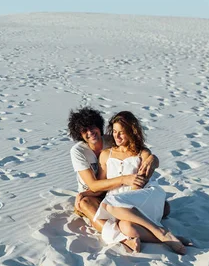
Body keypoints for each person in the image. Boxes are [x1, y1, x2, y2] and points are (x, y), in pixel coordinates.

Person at [68, 107, 171, 252]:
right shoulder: (78, 151)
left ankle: (136, 228)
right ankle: (123, 239)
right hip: (92, 192)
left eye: (92, 127)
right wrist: (124, 179)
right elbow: (93, 185)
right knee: (88, 205)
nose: (90, 133)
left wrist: (153, 159)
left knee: (164, 207)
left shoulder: (112, 140)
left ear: (99, 126)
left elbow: (139, 151)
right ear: (79, 134)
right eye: (84, 131)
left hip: (119, 191)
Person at [92, 111, 190, 254]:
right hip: (117, 202)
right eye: (114, 131)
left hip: (139, 196)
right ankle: (165, 237)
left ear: (132, 132)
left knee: (109, 205)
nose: (117, 136)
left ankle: (161, 232)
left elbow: (149, 168)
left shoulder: (141, 153)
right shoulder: (106, 155)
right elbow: (102, 183)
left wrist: (153, 159)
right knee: (126, 227)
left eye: (121, 132)